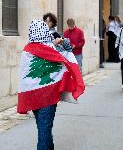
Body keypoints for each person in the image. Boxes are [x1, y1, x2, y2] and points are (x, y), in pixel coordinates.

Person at [17, 19, 85, 150]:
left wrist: (56, 43)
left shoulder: (27, 50)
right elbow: (65, 60)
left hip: (32, 97)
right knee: (45, 130)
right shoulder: (50, 50)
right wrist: (65, 47)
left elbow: (26, 74)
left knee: (43, 127)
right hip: (48, 97)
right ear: (44, 32)